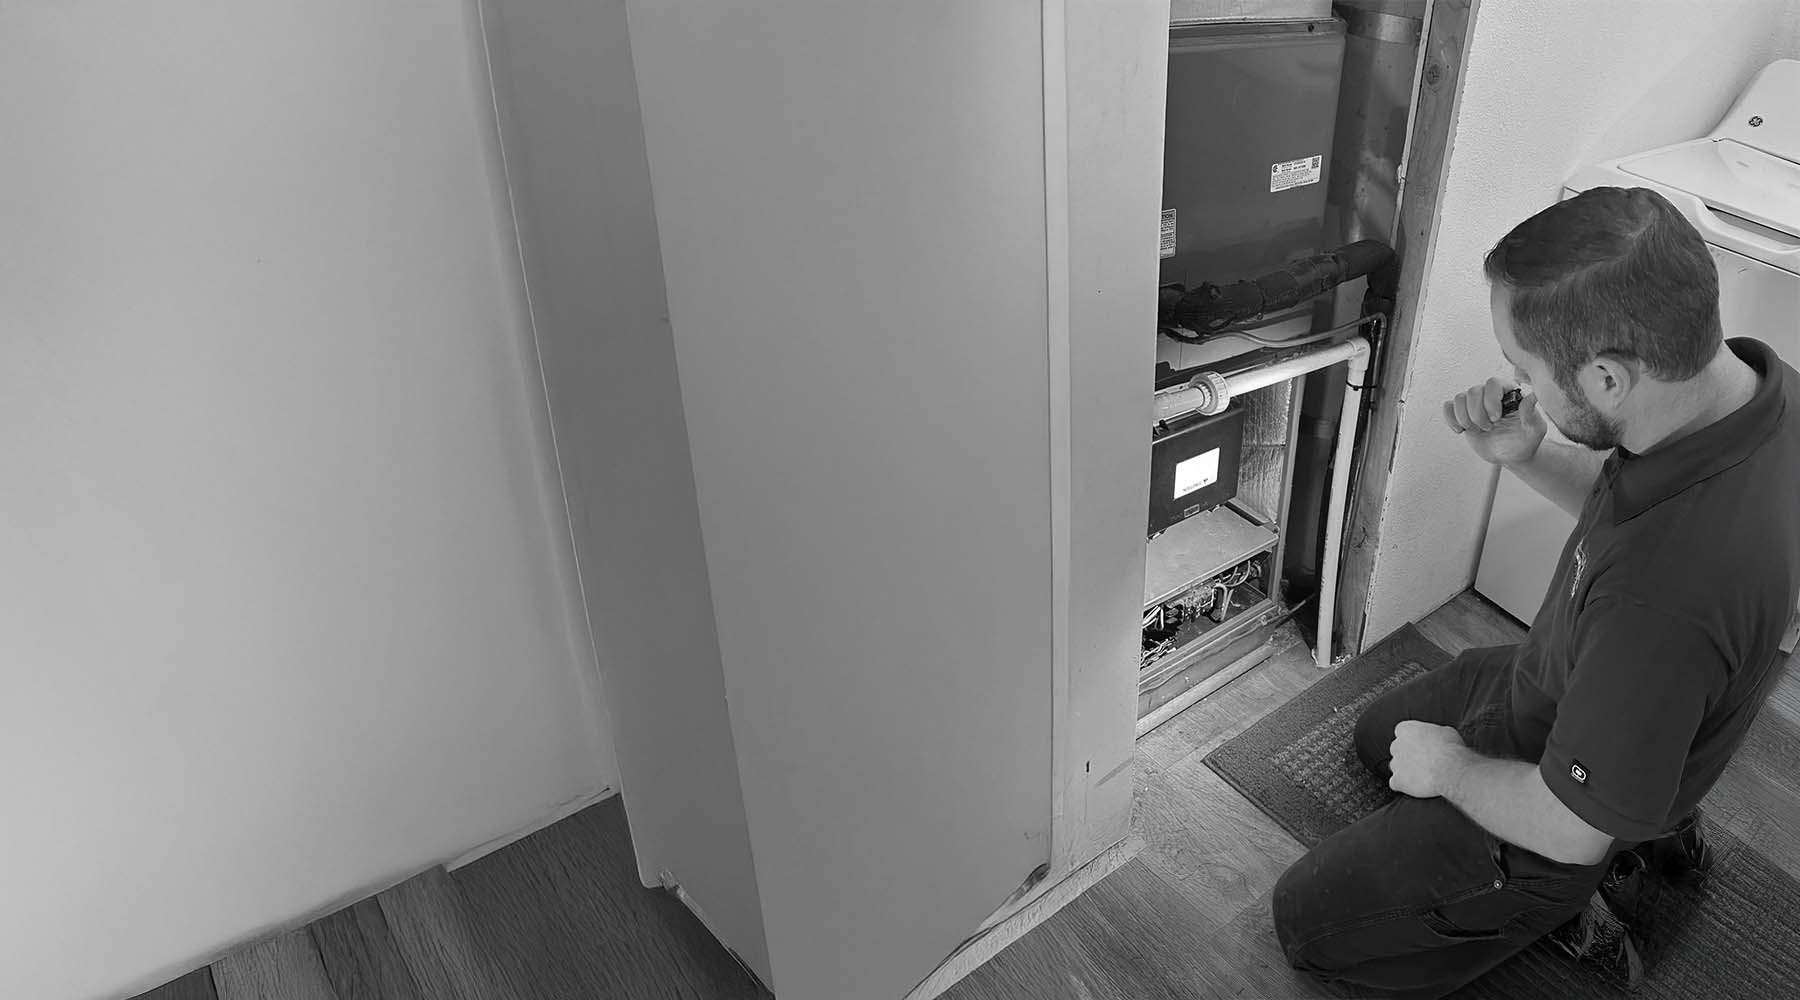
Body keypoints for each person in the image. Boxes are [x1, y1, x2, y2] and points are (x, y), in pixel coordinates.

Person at [1269, 185, 1800, 999]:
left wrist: (1452, 770)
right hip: (1569, 676)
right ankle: (1631, 790)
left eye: (1528, 370)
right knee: (1381, 737)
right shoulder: (1757, 389)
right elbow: (1626, 509)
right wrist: (1526, 453)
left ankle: (1565, 891)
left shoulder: (1667, 597)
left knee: (1306, 922)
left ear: (1609, 378)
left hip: (1573, 805)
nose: (1516, 383)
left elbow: (1571, 825)